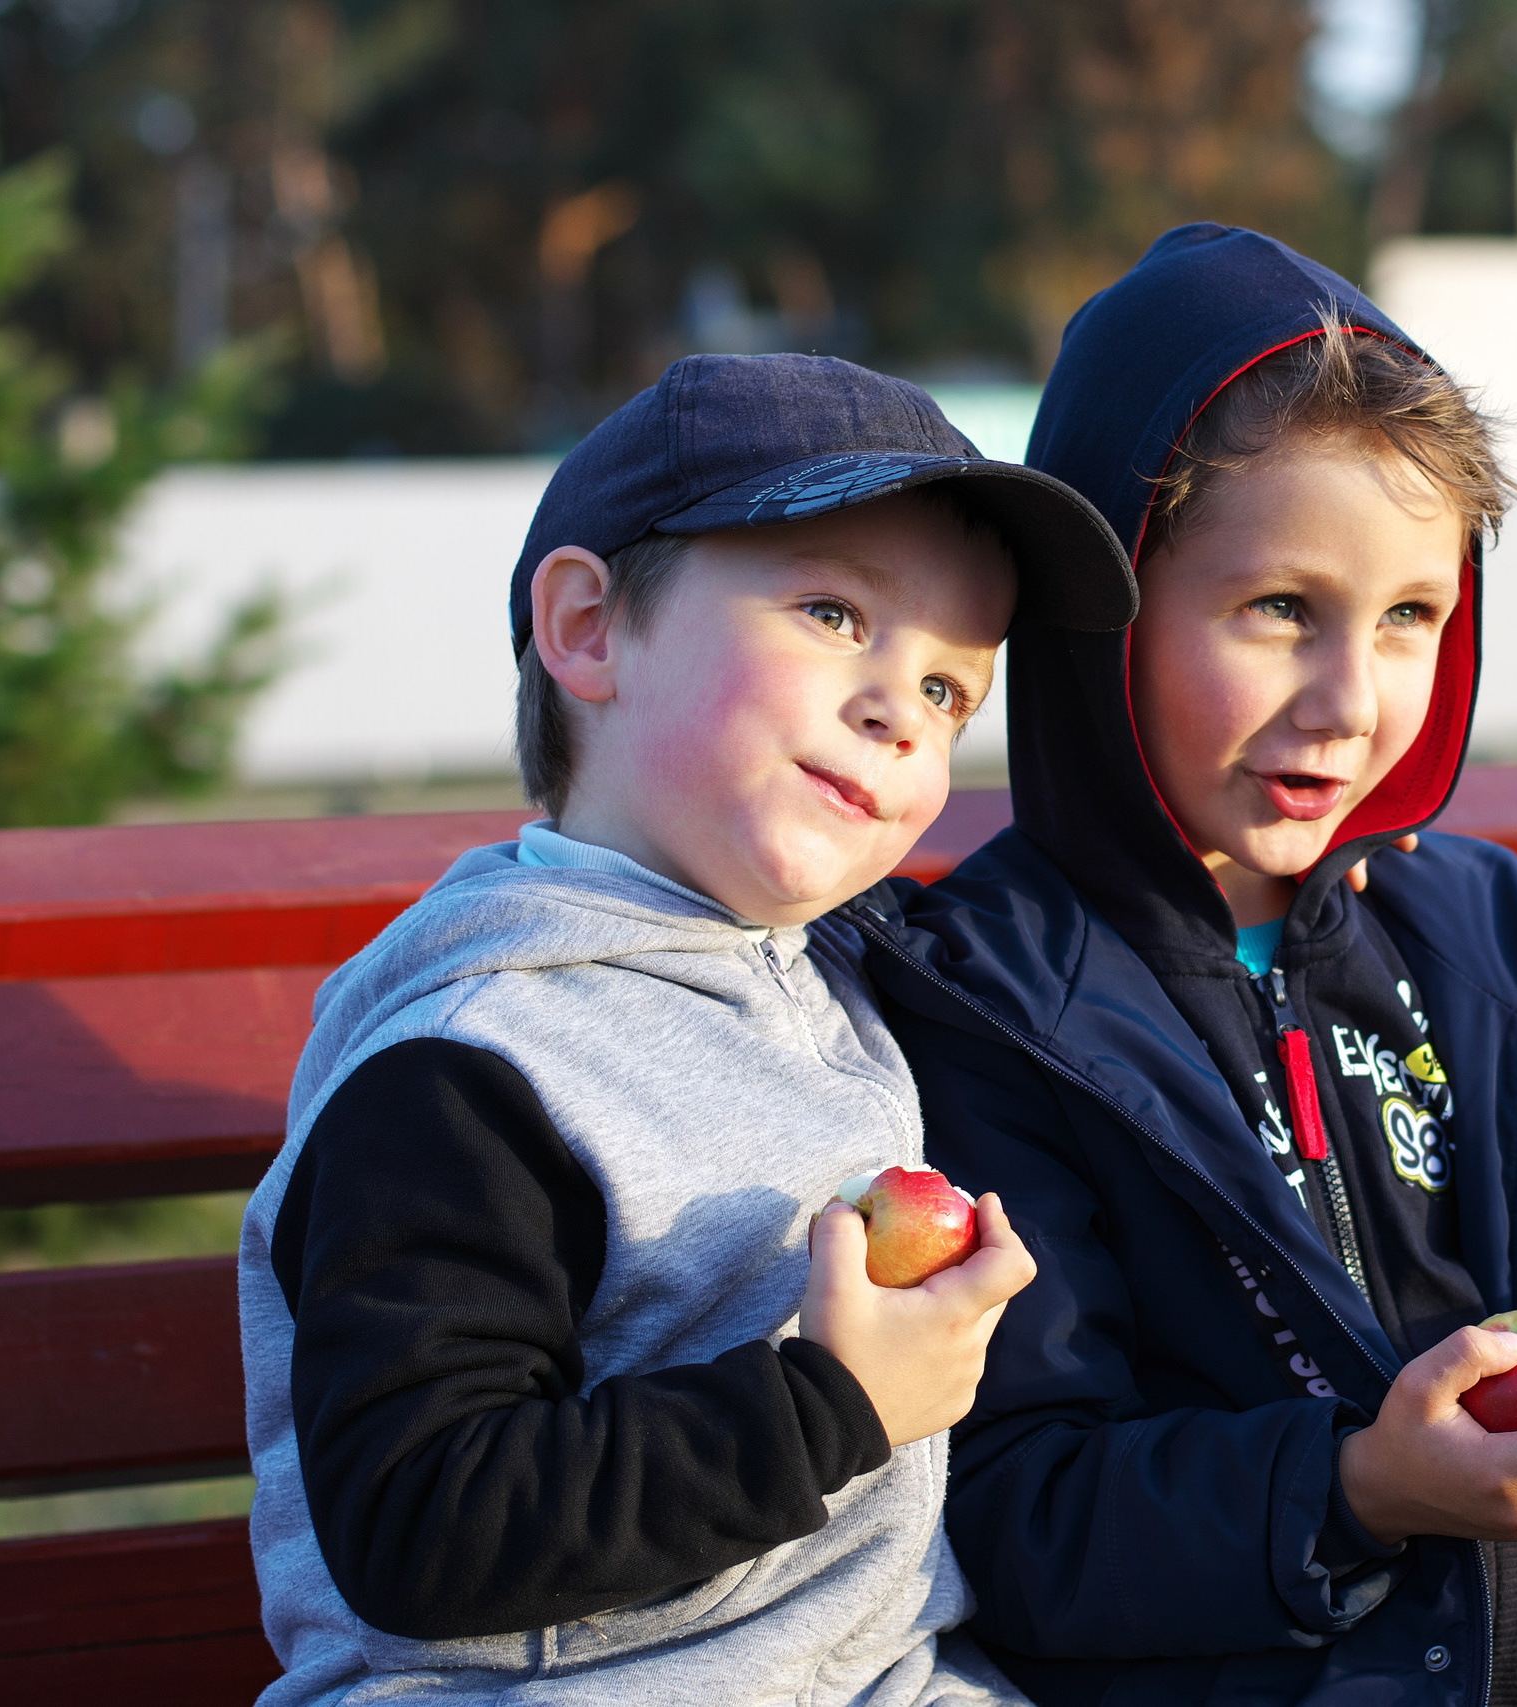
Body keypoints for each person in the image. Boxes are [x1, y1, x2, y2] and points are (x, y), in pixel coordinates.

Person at [841, 224, 1517, 1707]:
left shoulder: (1491, 945)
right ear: (1104, 614)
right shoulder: (991, 1005)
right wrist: (1360, 1486)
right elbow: (1018, 1512)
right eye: (1282, 609)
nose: (1352, 700)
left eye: (1410, 616)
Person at [234, 353, 1139, 1705]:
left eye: (953, 690)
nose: (902, 707)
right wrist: (832, 1404)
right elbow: (423, 1522)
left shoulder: (831, 982)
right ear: (592, 627)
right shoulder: (473, 1066)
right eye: (835, 612)